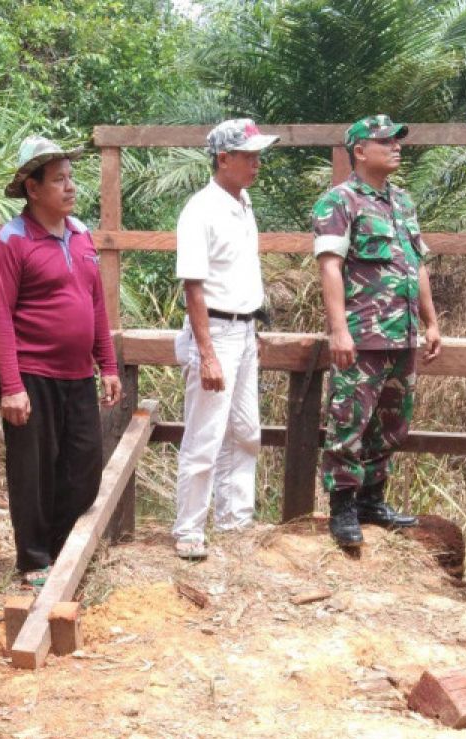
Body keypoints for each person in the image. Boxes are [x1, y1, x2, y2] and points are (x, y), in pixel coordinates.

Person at [0, 135, 122, 587]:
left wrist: (109, 365)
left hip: (79, 375)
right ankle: (33, 560)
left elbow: (96, 305)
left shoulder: (81, 236)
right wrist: (11, 385)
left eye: (71, 177)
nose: (70, 187)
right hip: (32, 374)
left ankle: (64, 549)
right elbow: (0, 317)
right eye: (58, 179)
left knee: (84, 469)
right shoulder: (11, 241)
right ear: (32, 188)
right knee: (33, 472)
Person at [312, 114, 441, 548]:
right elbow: (330, 267)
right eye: (386, 141)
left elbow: (416, 262)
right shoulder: (339, 202)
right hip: (363, 333)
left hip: (402, 335)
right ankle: (343, 507)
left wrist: (431, 321)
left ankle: (372, 499)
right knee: (349, 419)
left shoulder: (402, 202)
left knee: (391, 422)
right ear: (360, 151)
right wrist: (339, 331)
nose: (396, 146)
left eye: (398, 140)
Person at [171, 118, 278, 560]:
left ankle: (235, 520)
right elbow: (193, 285)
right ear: (224, 158)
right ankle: (189, 530)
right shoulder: (201, 209)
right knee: (206, 434)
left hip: (243, 327)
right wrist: (208, 353)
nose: (256, 164)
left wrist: (253, 327)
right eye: (248, 156)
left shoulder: (243, 201)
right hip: (214, 329)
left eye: (257, 155)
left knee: (246, 430)